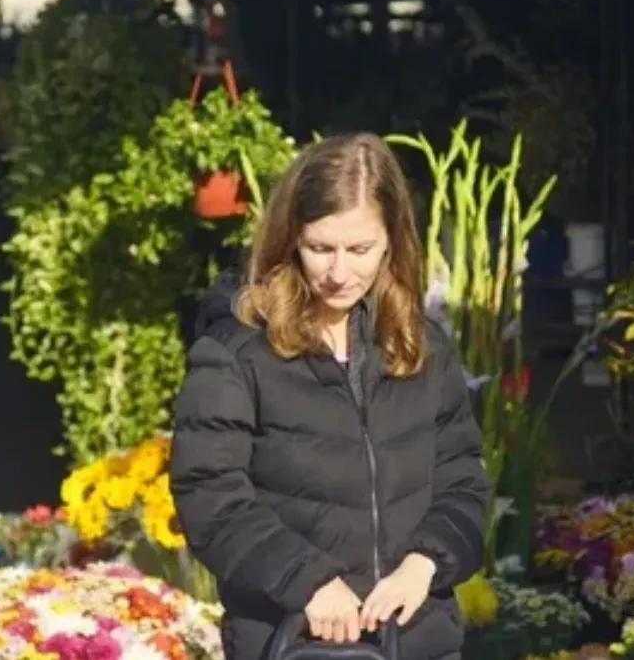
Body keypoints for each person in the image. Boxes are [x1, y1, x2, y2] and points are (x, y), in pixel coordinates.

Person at [170, 134, 489, 660]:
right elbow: (209, 493)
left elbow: (464, 482)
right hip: (288, 639)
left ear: (392, 240)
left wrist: (425, 564)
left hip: (418, 641)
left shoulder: (421, 345)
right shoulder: (237, 347)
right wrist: (307, 581)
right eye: (321, 248)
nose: (339, 273)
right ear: (290, 237)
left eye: (360, 250)